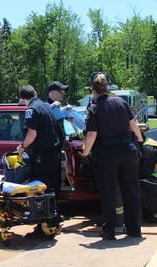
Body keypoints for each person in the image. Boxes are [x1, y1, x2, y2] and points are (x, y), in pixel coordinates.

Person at [82, 72, 143, 240]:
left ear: (93, 91)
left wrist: (85, 154)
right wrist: (139, 139)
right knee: (131, 190)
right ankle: (134, 230)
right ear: (107, 88)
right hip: (128, 150)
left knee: (108, 191)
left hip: (108, 153)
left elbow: (92, 134)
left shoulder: (94, 107)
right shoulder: (120, 102)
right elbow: (133, 124)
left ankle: (109, 230)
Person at [16, 84, 62, 238]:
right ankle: (53, 224)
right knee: (51, 191)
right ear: (35, 93)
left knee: (40, 192)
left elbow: (32, 134)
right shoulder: (46, 106)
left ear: (23, 99)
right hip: (53, 154)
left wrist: (22, 146)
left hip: (42, 156)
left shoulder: (32, 109)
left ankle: (43, 229)